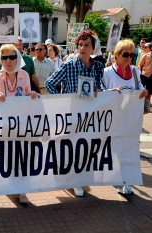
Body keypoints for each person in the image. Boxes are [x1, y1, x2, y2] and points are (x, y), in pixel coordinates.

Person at [45, 31, 104, 197]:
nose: (83, 48)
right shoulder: (68, 65)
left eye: (87, 45)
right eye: (80, 45)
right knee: (71, 148)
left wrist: (103, 91)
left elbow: (100, 87)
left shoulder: (98, 67)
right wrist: (62, 101)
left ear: (93, 49)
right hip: (71, 115)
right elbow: (49, 84)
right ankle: (74, 181)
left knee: (85, 149)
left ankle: (78, 178)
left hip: (89, 116)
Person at [0, 44, 39, 203]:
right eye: (4, 58)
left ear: (18, 58)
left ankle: (22, 189)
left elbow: (28, 93)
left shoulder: (24, 74)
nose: (8, 61)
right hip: (3, 126)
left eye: (12, 57)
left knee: (22, 155)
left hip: (21, 125)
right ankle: (12, 185)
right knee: (8, 156)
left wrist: (33, 94)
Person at [101, 39, 148, 195]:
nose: (129, 58)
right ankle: (118, 179)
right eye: (125, 54)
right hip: (112, 119)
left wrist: (144, 92)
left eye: (131, 54)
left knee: (127, 148)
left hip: (130, 119)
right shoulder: (107, 72)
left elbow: (140, 88)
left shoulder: (135, 71)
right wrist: (110, 92)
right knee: (115, 149)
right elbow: (100, 93)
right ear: (116, 56)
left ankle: (124, 180)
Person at [138, 42, 152, 108]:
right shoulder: (146, 55)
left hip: (151, 77)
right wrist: (140, 74)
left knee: (149, 92)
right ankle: (140, 105)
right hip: (144, 75)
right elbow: (140, 65)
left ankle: (147, 106)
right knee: (142, 91)